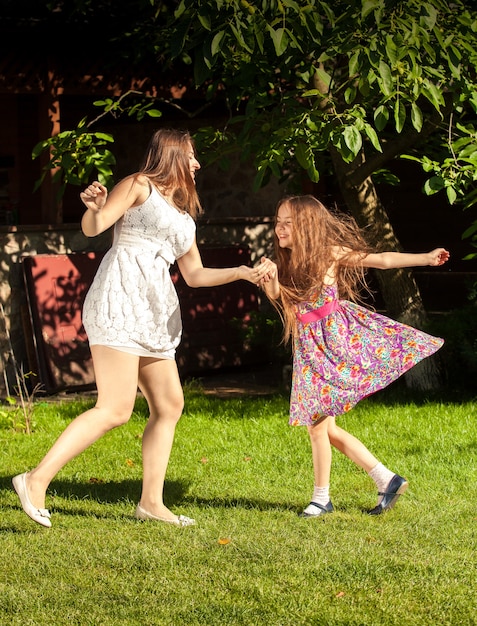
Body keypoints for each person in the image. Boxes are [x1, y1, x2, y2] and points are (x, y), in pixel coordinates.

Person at [12, 128, 272, 529]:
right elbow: (94, 227)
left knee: (169, 404)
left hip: (153, 312)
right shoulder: (139, 185)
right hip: (119, 299)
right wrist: (96, 207)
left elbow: (196, 275)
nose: (197, 164)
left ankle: (151, 503)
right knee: (114, 408)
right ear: (171, 154)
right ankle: (35, 480)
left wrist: (241, 272)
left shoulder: (184, 217)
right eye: (191, 156)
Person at [259, 195, 450, 517]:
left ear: (308, 226)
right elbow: (279, 298)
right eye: (278, 221)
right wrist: (270, 281)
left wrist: (426, 258)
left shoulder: (328, 254)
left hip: (335, 345)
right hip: (309, 350)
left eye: (288, 222)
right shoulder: (283, 262)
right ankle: (386, 478)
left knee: (318, 426)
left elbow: (382, 260)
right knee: (324, 427)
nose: (280, 228)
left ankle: (322, 499)